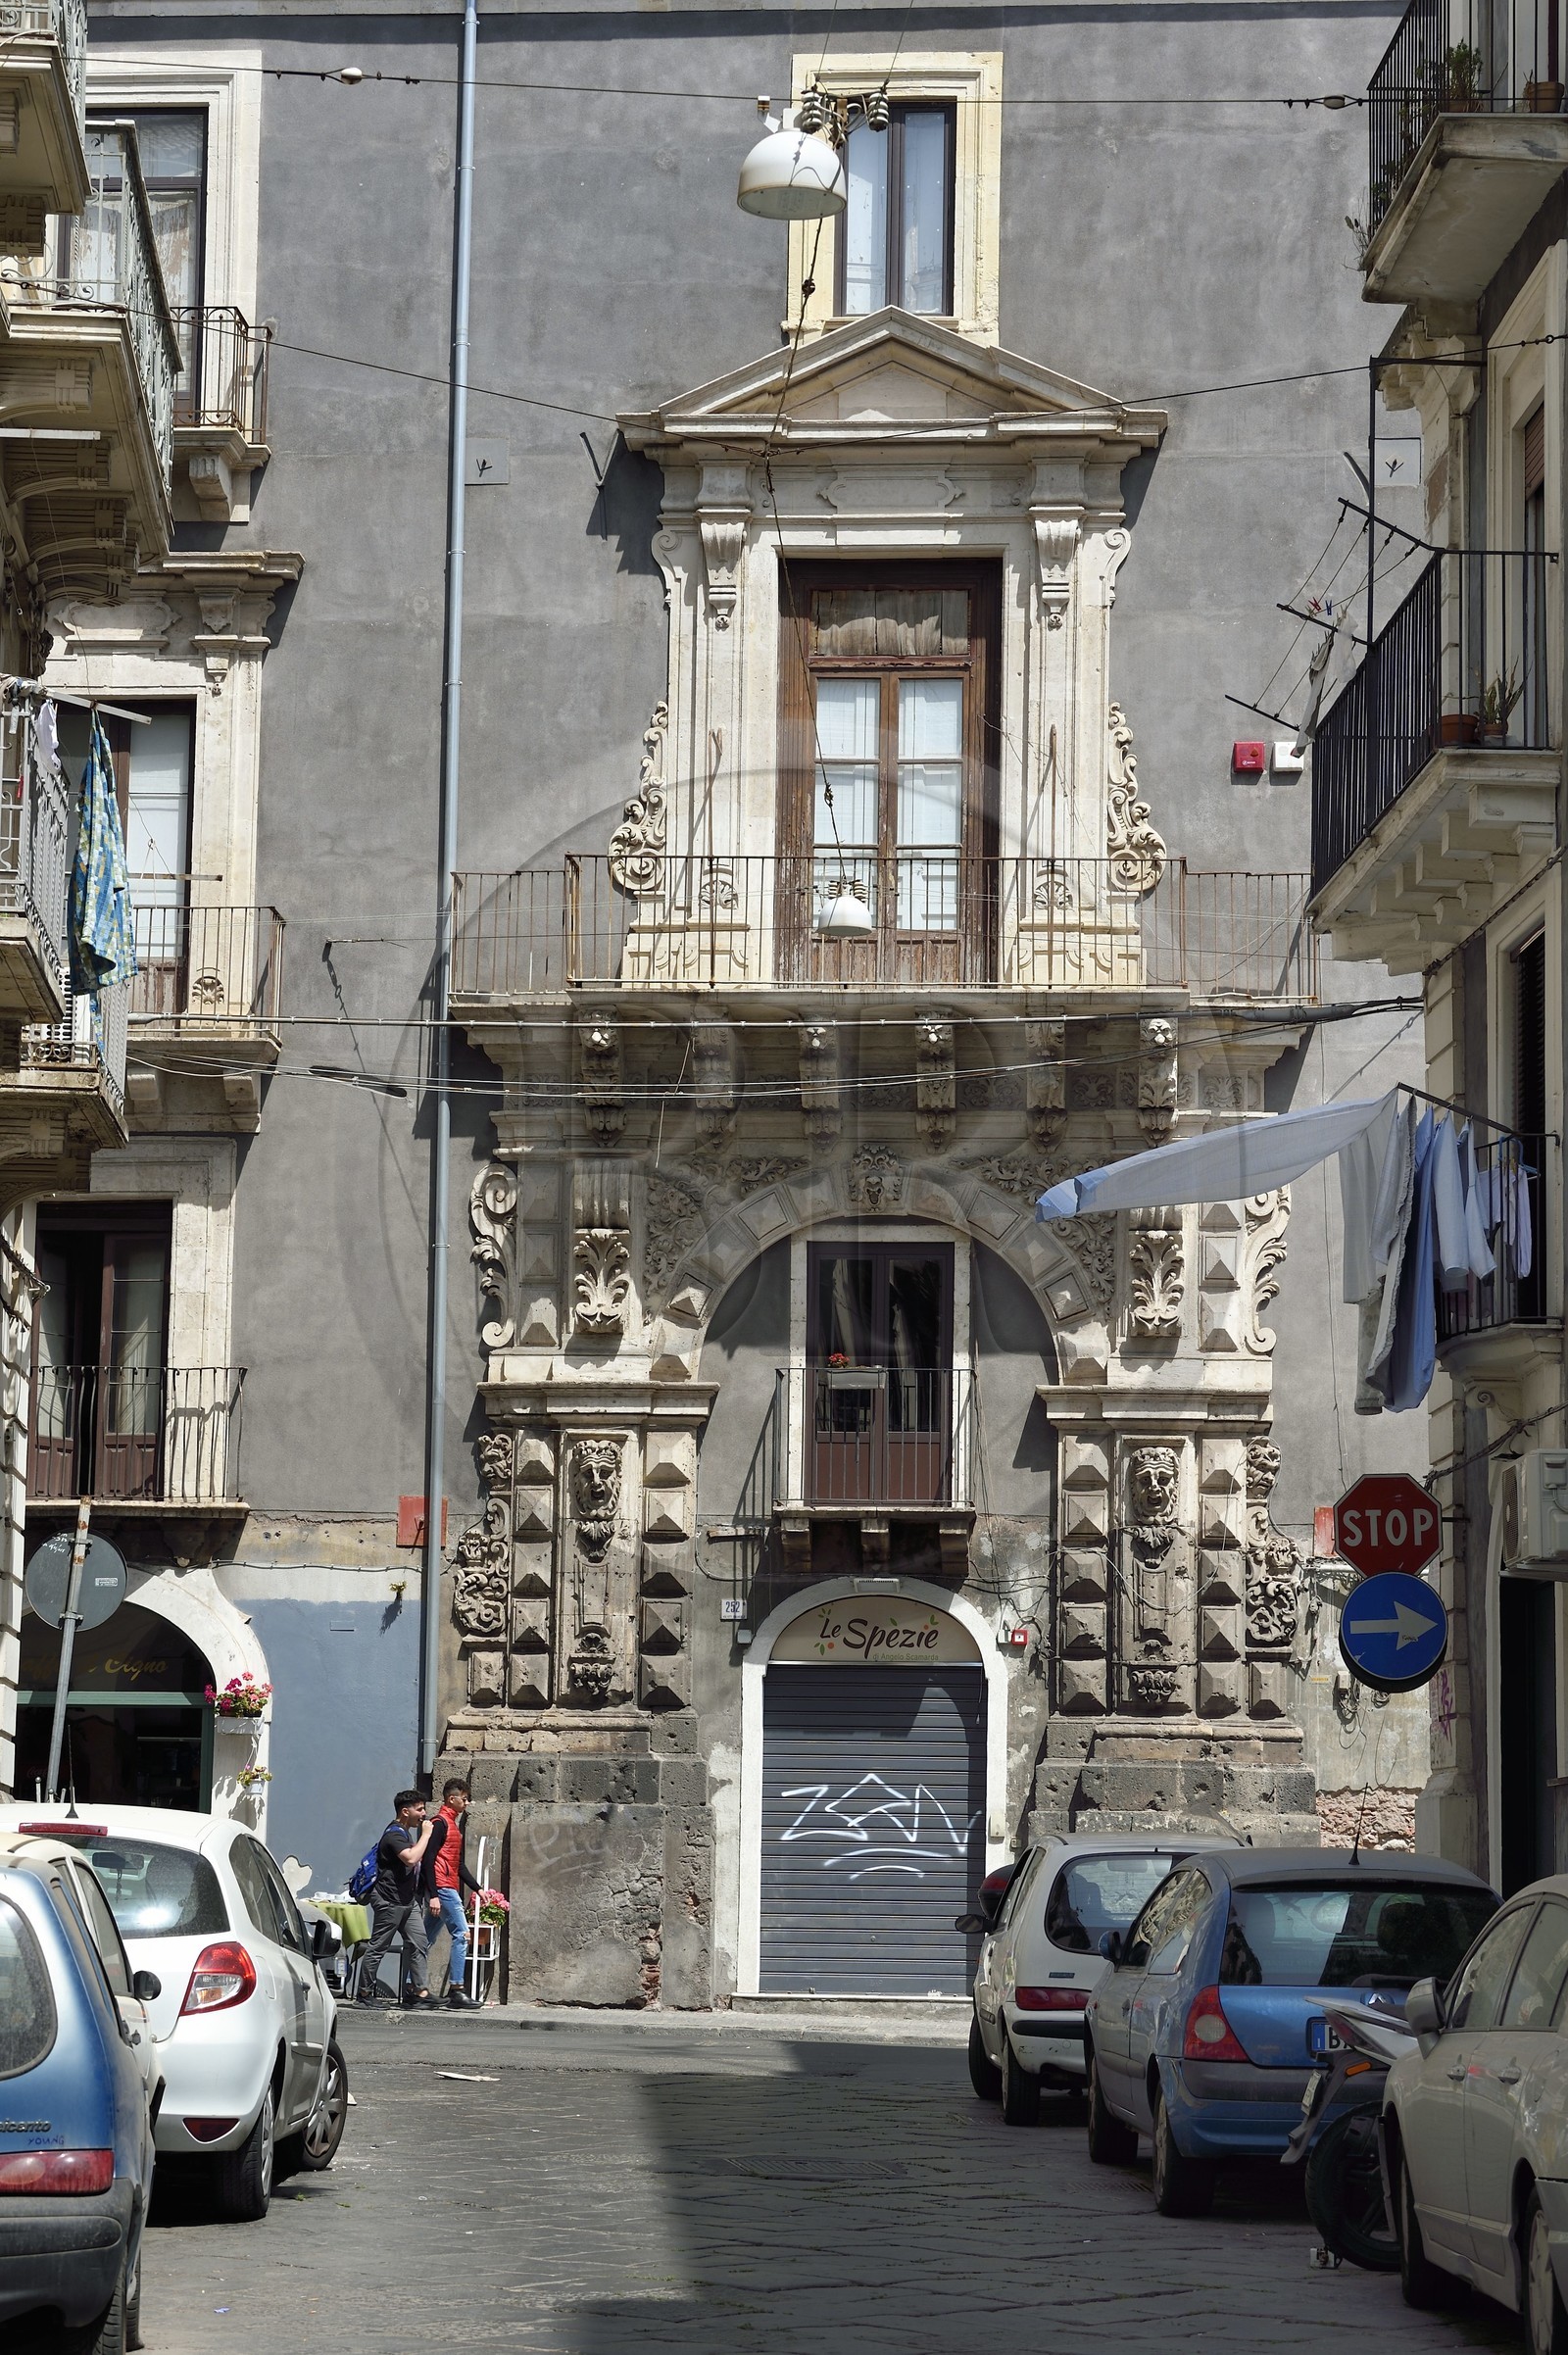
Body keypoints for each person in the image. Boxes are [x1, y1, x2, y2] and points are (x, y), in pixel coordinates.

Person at [358, 1789, 437, 2007]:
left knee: (419, 1942)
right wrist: (427, 1835)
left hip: (407, 1901)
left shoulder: (404, 1832)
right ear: (405, 1811)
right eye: (419, 1809)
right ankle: (364, 1994)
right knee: (378, 1946)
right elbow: (410, 1859)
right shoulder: (393, 1834)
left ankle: (418, 1992)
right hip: (389, 1899)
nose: (423, 1814)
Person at [425, 1778, 483, 2009]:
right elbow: (428, 1860)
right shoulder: (440, 1823)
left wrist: (478, 1888)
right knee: (462, 1934)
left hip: (445, 1885)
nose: (467, 1803)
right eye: (465, 1798)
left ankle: (412, 1987)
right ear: (452, 1799)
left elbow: (457, 1865)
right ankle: (457, 1990)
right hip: (443, 1888)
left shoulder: (452, 1825)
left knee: (425, 1940)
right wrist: (434, 1894)